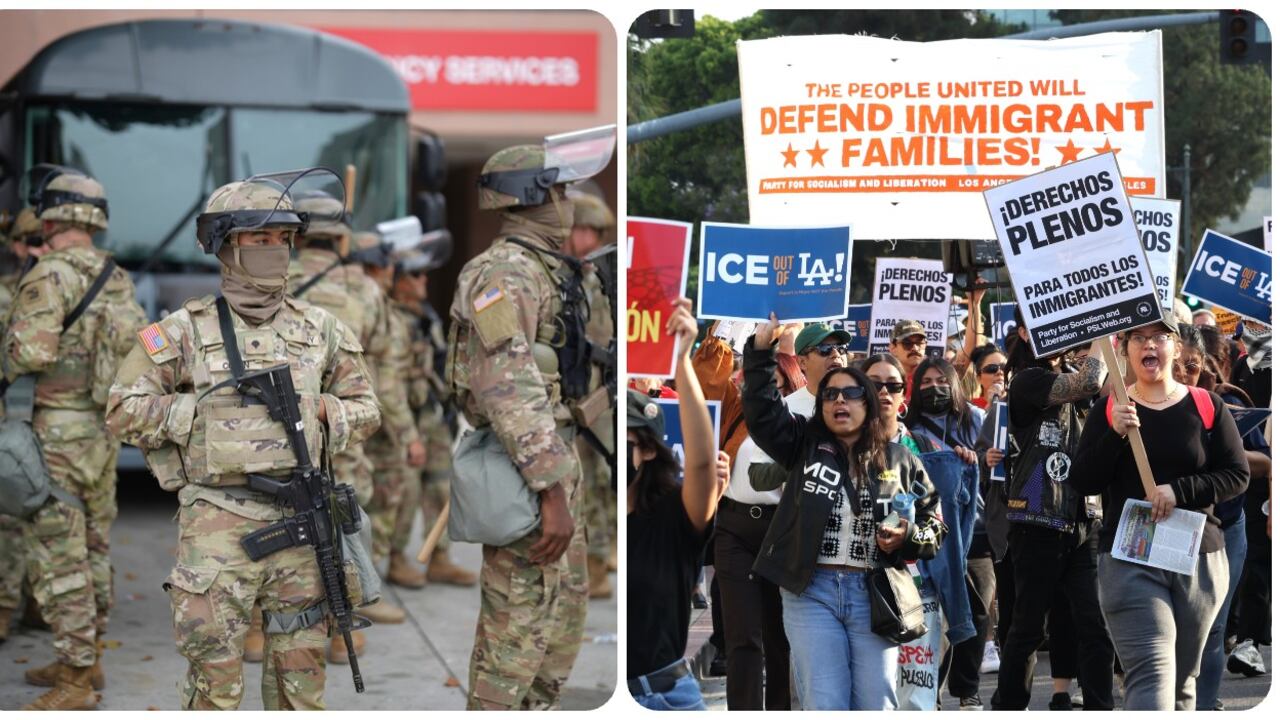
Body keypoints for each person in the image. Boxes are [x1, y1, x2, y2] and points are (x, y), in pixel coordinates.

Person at [105, 172, 381, 710]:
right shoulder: (183, 330)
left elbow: (368, 408)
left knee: (300, 691)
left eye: (282, 239)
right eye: (260, 239)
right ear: (226, 245)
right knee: (214, 686)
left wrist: (323, 412)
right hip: (217, 526)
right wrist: (204, 419)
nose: (274, 250)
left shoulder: (320, 328)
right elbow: (122, 409)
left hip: (301, 527)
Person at [447, 136, 612, 710]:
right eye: (560, 191)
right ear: (532, 197)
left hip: (557, 461)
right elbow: (508, 386)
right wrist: (550, 491)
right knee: (513, 651)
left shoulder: (550, 268)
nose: (568, 203)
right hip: (526, 472)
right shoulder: (503, 273)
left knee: (556, 644)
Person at [742, 313, 947, 710]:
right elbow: (763, 411)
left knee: (876, 702)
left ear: (868, 405)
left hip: (875, 596)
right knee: (825, 702)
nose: (839, 400)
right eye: (831, 394)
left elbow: (935, 526)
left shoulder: (902, 460)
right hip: (811, 593)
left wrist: (906, 537)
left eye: (851, 394)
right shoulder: (801, 444)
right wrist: (761, 352)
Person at [4, 168, 147, 710]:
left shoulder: (48, 275)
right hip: (102, 432)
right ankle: (87, 660)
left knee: (58, 555)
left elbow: (30, 354)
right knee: (94, 546)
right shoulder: (116, 276)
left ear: (52, 214)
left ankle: (74, 684)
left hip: (57, 435)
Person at [1070, 319, 1248, 710]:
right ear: (1127, 349)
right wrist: (1113, 434)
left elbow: (1237, 476)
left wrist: (1179, 491)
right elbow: (1082, 480)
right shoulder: (1109, 409)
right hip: (1129, 558)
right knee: (1151, 672)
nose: (1148, 345)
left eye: (1158, 337)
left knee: (1184, 681)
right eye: (1139, 338)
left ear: (1175, 347)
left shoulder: (1207, 405)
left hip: (1197, 556)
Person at [990, 315, 1114, 711]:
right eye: (1048, 326)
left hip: (1083, 520)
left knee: (1094, 624)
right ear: (1025, 333)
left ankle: (1099, 707)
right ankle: (1009, 706)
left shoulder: (1079, 369)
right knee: (1027, 627)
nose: (1063, 334)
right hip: (1037, 519)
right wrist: (1104, 330)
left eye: (1069, 326)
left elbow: (1112, 390)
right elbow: (1087, 385)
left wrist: (1114, 347)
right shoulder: (1028, 379)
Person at [627, 298, 725, 710]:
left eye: (626, 442)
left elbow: (702, 462)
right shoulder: (588, 521)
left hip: (664, 698)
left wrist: (681, 358)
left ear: (648, 451)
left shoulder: (670, 520)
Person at [704, 325, 805, 710]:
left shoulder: (800, 420)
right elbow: (708, 379)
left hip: (783, 532)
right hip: (734, 529)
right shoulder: (736, 409)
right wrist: (721, 333)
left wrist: (790, 344)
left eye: (778, 385)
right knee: (742, 636)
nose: (769, 393)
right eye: (763, 384)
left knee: (780, 637)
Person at [384, 235, 478, 588]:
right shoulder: (389, 320)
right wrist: (407, 433)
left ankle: (439, 556)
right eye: (417, 274)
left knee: (442, 486)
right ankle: (396, 558)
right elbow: (389, 380)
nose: (425, 280)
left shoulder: (426, 317)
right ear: (398, 281)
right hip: (402, 418)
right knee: (404, 493)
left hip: (431, 413)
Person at [567, 191, 618, 599]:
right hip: (574, 395)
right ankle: (587, 561)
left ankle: (598, 561)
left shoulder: (605, 279)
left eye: (593, 231)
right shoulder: (569, 278)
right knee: (577, 481)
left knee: (603, 480)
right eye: (581, 229)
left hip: (602, 396)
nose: (587, 239)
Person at [890, 319, 928, 396]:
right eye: (907, 343)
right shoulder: (885, 381)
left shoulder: (936, 379)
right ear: (893, 348)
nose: (915, 348)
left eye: (919, 343)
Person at [966, 343, 1008, 410]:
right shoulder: (969, 408)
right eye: (992, 368)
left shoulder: (1022, 403)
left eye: (1005, 367)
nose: (1000, 372)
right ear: (979, 378)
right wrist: (990, 405)